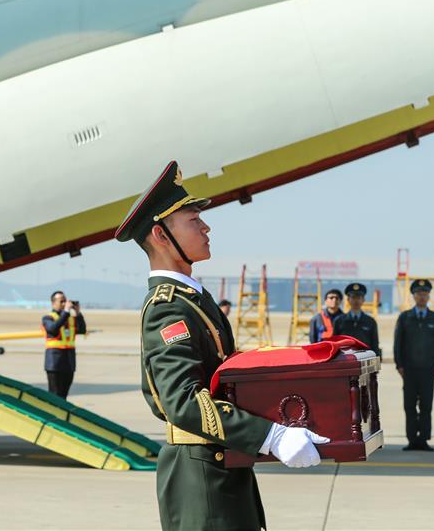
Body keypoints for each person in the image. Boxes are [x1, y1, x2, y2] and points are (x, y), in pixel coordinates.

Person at [116, 160, 328, 531]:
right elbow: (182, 401)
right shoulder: (168, 309)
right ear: (161, 235)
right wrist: (269, 435)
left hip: (217, 463)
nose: (205, 226)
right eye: (192, 219)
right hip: (201, 477)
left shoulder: (192, 300)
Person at [393, 279, 434, 451]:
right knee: (409, 406)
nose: (422, 297)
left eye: (425, 294)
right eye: (419, 293)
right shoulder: (405, 318)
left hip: (428, 370)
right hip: (409, 370)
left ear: (429, 296)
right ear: (413, 296)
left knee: (426, 406)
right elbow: (398, 344)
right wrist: (399, 365)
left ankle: (423, 439)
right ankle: (411, 439)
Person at [42, 291, 86, 399]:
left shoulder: (70, 319)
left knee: (63, 395)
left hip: (69, 361)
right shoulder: (48, 318)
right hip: (54, 362)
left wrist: (78, 314)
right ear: (53, 303)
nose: (64, 304)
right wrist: (66, 312)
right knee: (54, 394)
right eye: (61, 301)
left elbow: (82, 330)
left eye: (65, 301)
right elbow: (53, 329)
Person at [334, 283, 381, 357]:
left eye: (359, 298)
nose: (356, 300)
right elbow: (335, 344)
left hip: (365, 359)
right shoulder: (339, 321)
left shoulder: (370, 322)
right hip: (345, 359)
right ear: (348, 300)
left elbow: (375, 344)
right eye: (353, 297)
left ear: (363, 300)